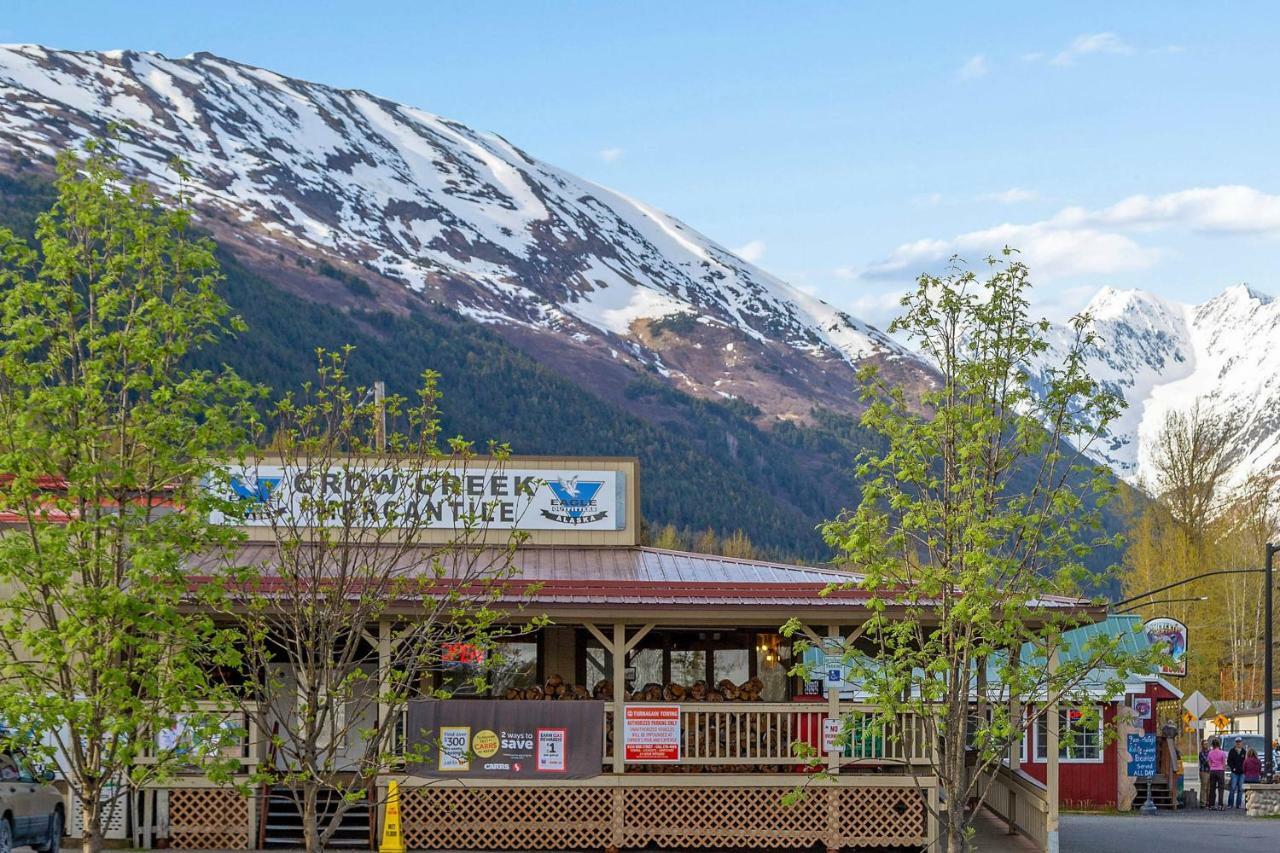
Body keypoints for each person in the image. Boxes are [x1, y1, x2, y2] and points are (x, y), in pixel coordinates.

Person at [1207, 738, 1227, 809]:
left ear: (1212, 745)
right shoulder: (1222, 753)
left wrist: (1212, 767)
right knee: (1221, 788)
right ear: (1219, 745)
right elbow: (1224, 763)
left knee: (1212, 788)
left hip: (1213, 770)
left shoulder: (1210, 753)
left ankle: (1211, 804)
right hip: (1220, 770)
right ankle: (1220, 804)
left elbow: (1209, 762)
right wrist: (1223, 769)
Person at [1227, 736, 1247, 808]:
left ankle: (1238, 804)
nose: (1238, 743)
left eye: (1239, 742)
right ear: (1235, 743)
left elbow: (1245, 762)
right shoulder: (1232, 751)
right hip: (1234, 772)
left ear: (1242, 743)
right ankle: (1230, 804)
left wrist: (1244, 769)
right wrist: (1233, 768)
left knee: (1240, 789)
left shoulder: (1244, 752)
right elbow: (1229, 761)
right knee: (1232, 788)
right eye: (1237, 742)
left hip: (1242, 773)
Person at [1198, 740, 1212, 806]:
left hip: (1210, 771)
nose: (1206, 745)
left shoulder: (1210, 752)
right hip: (1204, 771)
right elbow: (1206, 761)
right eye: (1204, 744)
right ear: (1202, 745)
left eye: (1207, 744)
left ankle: (1208, 802)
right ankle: (1202, 802)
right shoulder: (1201, 753)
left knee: (1209, 788)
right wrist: (1212, 763)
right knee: (1204, 787)